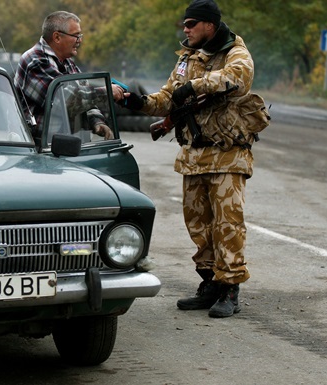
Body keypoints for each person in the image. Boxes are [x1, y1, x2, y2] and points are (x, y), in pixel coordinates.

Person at [122, 0, 257, 318]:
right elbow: (168, 95)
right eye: (185, 24)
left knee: (228, 225)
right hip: (195, 155)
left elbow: (237, 77)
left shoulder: (235, 51)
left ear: (210, 25)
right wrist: (136, 100)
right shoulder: (188, 57)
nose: (186, 29)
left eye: (192, 24)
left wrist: (192, 87)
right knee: (197, 224)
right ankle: (209, 282)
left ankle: (230, 288)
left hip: (227, 153)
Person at [14, 11, 125, 144]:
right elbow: (67, 99)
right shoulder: (35, 61)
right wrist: (107, 91)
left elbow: (85, 101)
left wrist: (97, 122)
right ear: (57, 37)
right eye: (76, 35)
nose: (80, 40)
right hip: (39, 149)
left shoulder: (69, 64)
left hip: (66, 146)